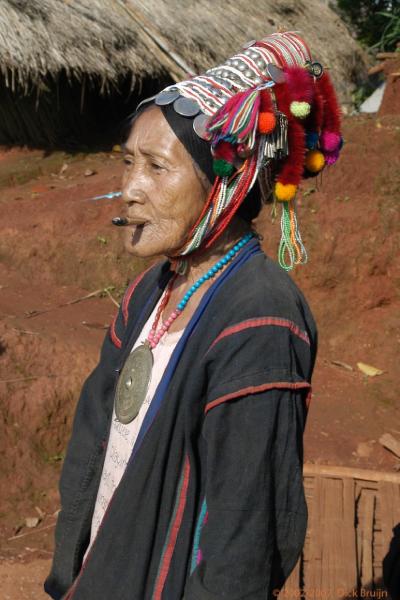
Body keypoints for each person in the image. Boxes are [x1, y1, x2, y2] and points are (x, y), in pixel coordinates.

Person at [45, 31, 342, 600]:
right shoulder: (148, 293)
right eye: (128, 161)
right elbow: (94, 445)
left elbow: (244, 520)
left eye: (157, 167)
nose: (128, 189)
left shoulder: (260, 316)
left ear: (223, 187)